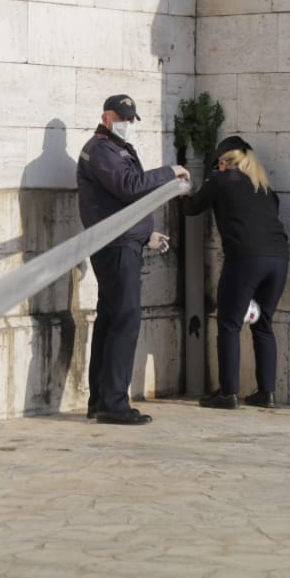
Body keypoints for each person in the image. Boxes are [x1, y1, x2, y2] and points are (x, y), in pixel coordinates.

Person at [77, 94, 189, 425]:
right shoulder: (100, 150)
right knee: (125, 320)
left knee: (112, 319)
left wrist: (144, 234)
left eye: (129, 119)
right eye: (121, 118)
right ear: (106, 117)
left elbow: (123, 201)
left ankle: (101, 400)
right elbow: (129, 186)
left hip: (123, 241)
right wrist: (169, 171)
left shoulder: (116, 149)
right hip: (115, 246)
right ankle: (113, 403)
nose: (126, 124)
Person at [183, 136, 289, 410]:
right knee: (263, 324)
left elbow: (191, 208)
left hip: (245, 258)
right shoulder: (263, 186)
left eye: (218, 163)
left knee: (229, 324)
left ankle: (228, 393)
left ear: (224, 162)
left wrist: (186, 190)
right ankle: (266, 393)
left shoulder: (221, 180)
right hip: (278, 259)